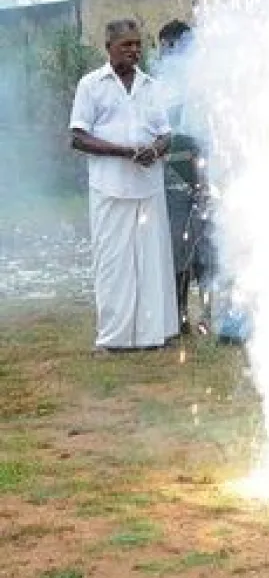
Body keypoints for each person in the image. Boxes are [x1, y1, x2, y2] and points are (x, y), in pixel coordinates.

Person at [69, 19, 177, 351]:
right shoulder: (91, 85)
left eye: (137, 45)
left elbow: (165, 133)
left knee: (150, 261)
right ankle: (114, 338)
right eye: (126, 45)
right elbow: (77, 137)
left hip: (147, 186)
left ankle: (152, 335)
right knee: (114, 263)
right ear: (109, 47)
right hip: (110, 187)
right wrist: (123, 152)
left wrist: (155, 150)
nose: (133, 50)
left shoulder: (151, 86)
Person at [157, 20, 210, 335]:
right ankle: (179, 314)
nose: (164, 53)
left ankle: (206, 313)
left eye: (169, 46)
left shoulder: (201, 82)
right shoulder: (158, 85)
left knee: (206, 248)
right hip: (171, 175)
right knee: (178, 247)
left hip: (200, 170)